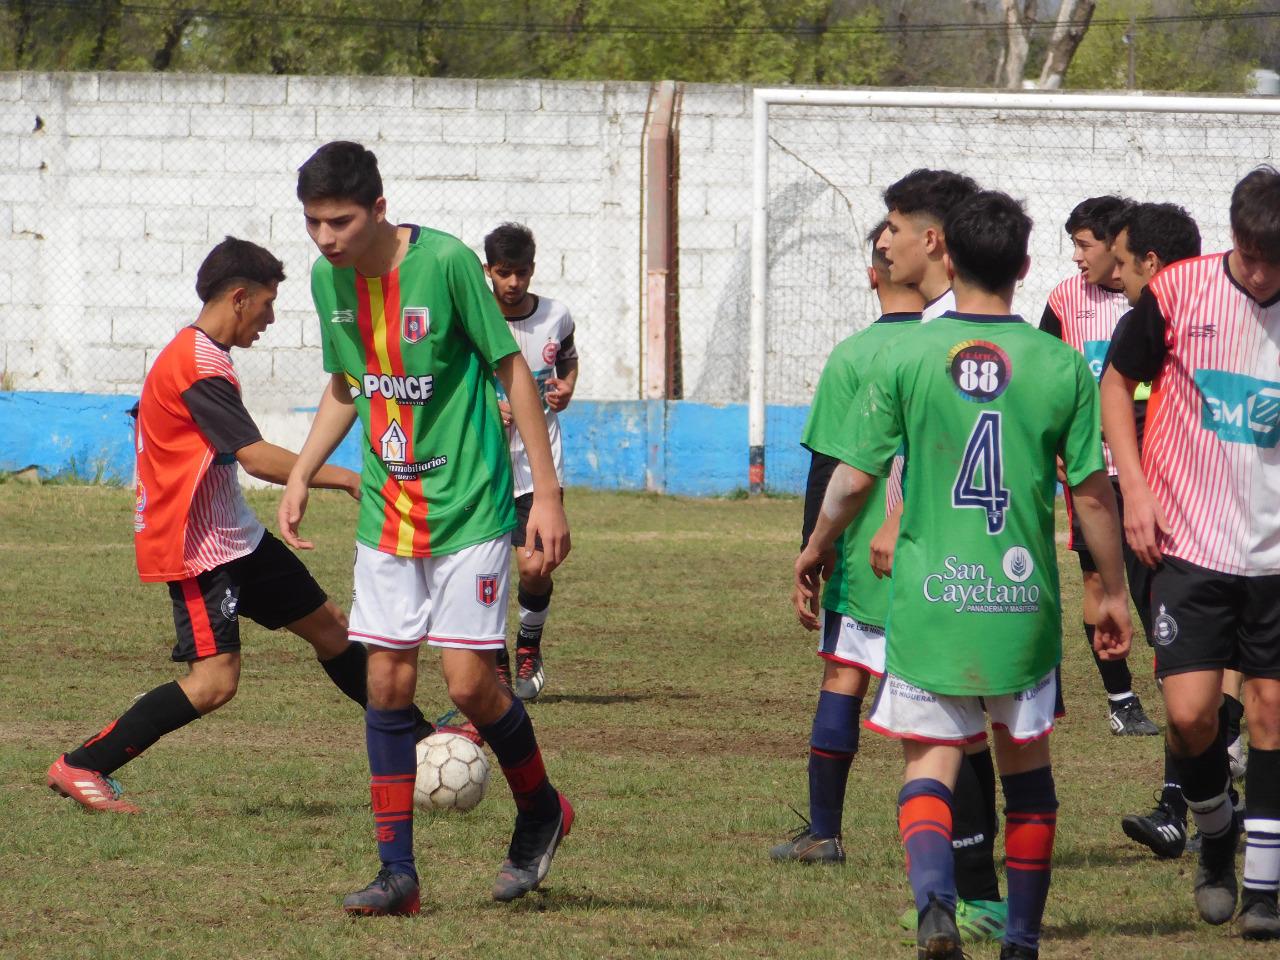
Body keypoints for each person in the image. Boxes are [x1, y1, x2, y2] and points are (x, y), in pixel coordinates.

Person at [797, 190, 1133, 960]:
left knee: (930, 761)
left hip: (931, 600)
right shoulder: (1059, 363)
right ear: (1024, 265)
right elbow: (1091, 493)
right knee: (1027, 773)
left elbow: (854, 477)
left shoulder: (908, 354)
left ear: (947, 258)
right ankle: (1021, 942)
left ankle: (936, 907)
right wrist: (1112, 590)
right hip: (1020, 602)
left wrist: (817, 545)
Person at [46, 236, 440, 814]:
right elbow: (255, 458)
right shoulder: (196, 365)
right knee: (214, 683)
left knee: (332, 628)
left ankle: (423, 740)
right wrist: (347, 478)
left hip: (237, 538)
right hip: (198, 549)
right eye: (267, 304)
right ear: (238, 297)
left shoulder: (203, 355)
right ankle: (83, 765)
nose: (270, 319)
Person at [281, 141, 572, 917]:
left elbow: (512, 369)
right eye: (313, 223)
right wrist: (304, 469)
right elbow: (349, 383)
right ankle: (396, 875)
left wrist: (545, 495)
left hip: (469, 504)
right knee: (385, 681)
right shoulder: (327, 279)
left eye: (340, 222)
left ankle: (542, 809)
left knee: (471, 685)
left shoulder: (445, 265)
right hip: (387, 508)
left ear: (379, 209)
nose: (325, 238)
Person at [1101, 166, 1280, 940]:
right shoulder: (1178, 292)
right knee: (1190, 716)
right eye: (1253, 257)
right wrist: (1136, 490)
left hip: (1274, 554)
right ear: (1234, 237)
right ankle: (1215, 833)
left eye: (1277, 261)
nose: (1263, 274)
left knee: (1270, 714)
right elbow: (1116, 384)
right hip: (1189, 542)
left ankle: (1264, 890)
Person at [877, 169, 1009, 943]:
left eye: (894, 227)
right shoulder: (963, 330)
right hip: (984, 561)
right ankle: (975, 887)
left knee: (947, 730)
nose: (883, 242)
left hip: (947, 559)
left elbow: (934, 453)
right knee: (973, 724)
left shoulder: (936, 339)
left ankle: (973, 890)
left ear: (934, 241)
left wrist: (891, 519)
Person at [770, 222, 924, 859]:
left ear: (870, 276)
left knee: (843, 677)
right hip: (942, 556)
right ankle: (956, 845)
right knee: (949, 708)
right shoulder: (952, 347)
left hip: (863, 558)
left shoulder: (854, 356)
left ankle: (824, 831)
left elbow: (830, 466)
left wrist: (815, 549)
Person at [1040, 197, 1158, 737]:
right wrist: (1054, 443)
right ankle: (1121, 699)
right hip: (1088, 468)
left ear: (1117, 246)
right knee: (1095, 575)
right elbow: (1041, 373)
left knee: (1160, 574)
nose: (1077, 257)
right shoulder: (1065, 298)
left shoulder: (1155, 297)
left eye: (1084, 245)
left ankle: (1181, 681)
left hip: (1151, 467)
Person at [482, 222, 579, 701]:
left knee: (536, 565)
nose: (514, 282)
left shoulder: (556, 315)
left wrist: (566, 387)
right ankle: (495, 659)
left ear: (532, 270)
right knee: (487, 569)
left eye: (521, 272)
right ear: (489, 271)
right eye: (504, 272)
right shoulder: (474, 316)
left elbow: (567, 359)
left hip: (538, 463)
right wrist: (487, 404)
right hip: (484, 461)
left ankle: (529, 645)